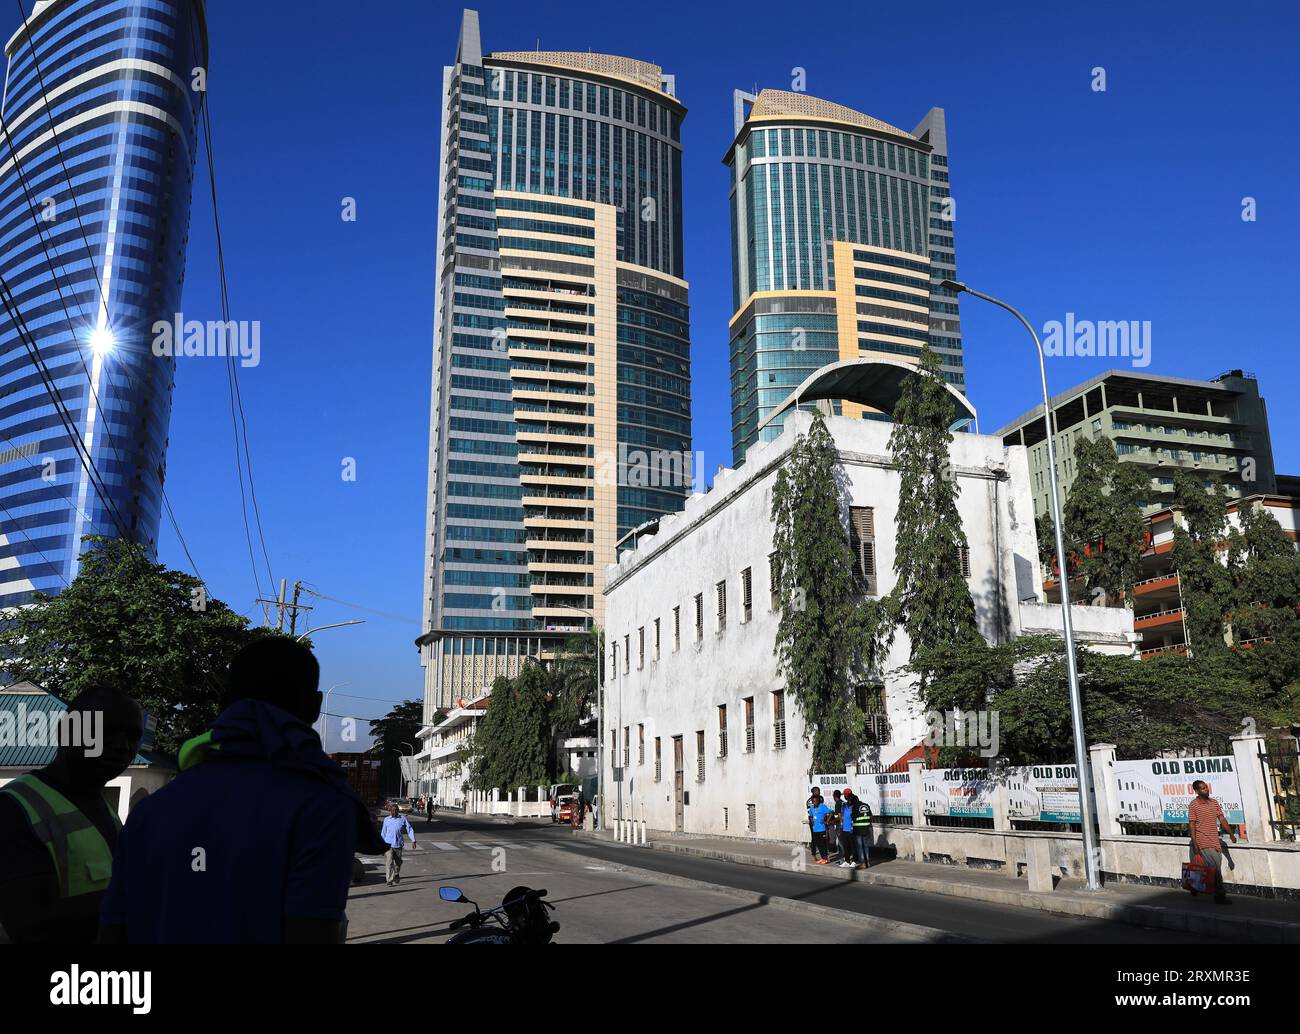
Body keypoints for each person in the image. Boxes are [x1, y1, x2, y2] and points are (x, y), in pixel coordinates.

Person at [99, 638, 386, 943]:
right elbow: (312, 931)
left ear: (224, 704)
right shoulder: (322, 807)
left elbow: (113, 930)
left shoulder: (149, 811)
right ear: (315, 708)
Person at [0, 687, 143, 943]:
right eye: (106, 731)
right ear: (67, 733)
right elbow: (29, 924)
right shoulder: (14, 808)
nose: (122, 747)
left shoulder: (102, 806)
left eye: (133, 736)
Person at [1187, 779, 1237, 904]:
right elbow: (1192, 825)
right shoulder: (1193, 805)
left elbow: (1222, 819)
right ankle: (1220, 896)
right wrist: (1195, 843)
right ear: (1197, 791)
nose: (1206, 790)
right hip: (1202, 841)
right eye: (1203, 788)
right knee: (1215, 870)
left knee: (1207, 868)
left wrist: (1231, 834)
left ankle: (1194, 887)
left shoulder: (1214, 803)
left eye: (1206, 787)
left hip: (1214, 841)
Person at [381, 802, 417, 885]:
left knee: (398, 863)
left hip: (398, 845)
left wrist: (413, 840)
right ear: (390, 811)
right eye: (392, 810)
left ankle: (396, 874)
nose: (393, 812)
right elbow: (383, 833)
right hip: (388, 845)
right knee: (389, 862)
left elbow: (409, 829)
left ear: (397, 811)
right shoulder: (386, 820)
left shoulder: (403, 819)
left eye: (395, 810)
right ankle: (389, 880)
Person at [849, 789, 874, 870]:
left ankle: (863, 863)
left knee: (860, 847)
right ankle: (867, 862)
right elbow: (871, 816)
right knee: (866, 846)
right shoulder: (866, 805)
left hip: (859, 829)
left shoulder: (855, 806)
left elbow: (853, 817)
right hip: (867, 828)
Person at [807, 794, 831, 864]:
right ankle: (822, 858)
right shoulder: (811, 808)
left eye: (816, 801)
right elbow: (811, 816)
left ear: (818, 801)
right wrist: (812, 822)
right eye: (813, 801)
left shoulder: (822, 806)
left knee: (823, 844)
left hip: (822, 829)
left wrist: (826, 821)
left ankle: (826, 858)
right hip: (815, 829)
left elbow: (830, 812)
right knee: (819, 844)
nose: (815, 802)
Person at [837, 788, 857, 868]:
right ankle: (847, 861)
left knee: (853, 846)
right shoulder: (844, 805)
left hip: (851, 829)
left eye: (845, 795)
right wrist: (840, 826)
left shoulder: (854, 805)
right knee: (846, 846)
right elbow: (842, 816)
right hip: (844, 828)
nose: (844, 797)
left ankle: (854, 861)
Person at [828, 789, 844, 860]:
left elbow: (839, 816)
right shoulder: (843, 802)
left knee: (840, 841)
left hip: (839, 825)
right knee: (842, 840)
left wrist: (832, 821)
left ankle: (842, 855)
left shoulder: (838, 804)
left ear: (834, 796)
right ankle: (843, 855)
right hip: (844, 824)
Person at [805, 785, 821, 854]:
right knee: (814, 836)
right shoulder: (810, 801)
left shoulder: (820, 799)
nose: (819, 792)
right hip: (813, 821)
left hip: (820, 820)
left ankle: (820, 848)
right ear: (814, 792)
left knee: (820, 835)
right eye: (818, 791)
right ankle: (813, 850)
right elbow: (810, 813)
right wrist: (813, 821)